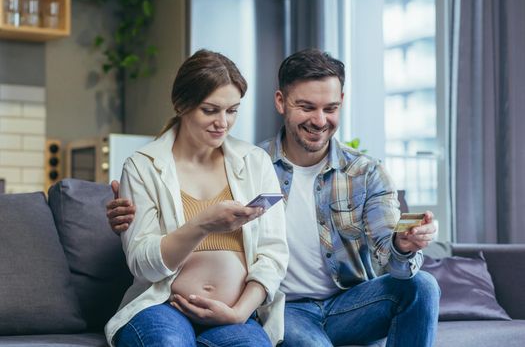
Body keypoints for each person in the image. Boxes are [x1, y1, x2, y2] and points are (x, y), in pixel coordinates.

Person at [107, 49, 440, 346]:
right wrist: (197, 222)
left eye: (331, 108)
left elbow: (385, 250)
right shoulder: (255, 160)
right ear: (281, 102)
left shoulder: (362, 172)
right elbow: (145, 250)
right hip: (275, 308)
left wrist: (403, 245)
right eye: (307, 107)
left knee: (422, 286)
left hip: (343, 303)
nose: (320, 120)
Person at [104, 49, 289, 347]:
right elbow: (143, 264)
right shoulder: (142, 166)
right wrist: (203, 224)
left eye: (232, 110)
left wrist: (239, 313)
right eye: (210, 110)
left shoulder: (255, 162)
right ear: (181, 105)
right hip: (162, 306)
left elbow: (273, 255)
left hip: (236, 313)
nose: (223, 123)